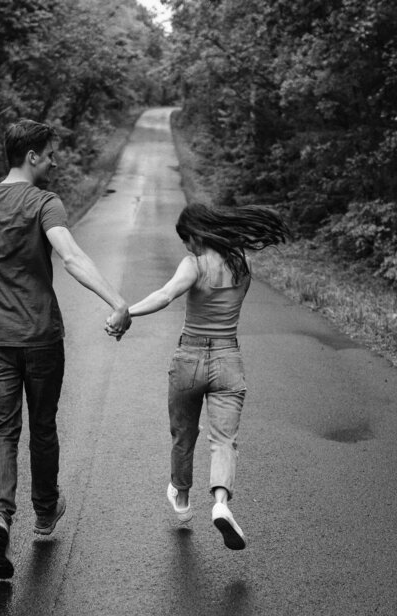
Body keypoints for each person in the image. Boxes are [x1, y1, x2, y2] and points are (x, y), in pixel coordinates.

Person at [0, 119, 131, 579]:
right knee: (43, 426)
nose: (55, 161)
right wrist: (117, 301)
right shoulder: (43, 203)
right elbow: (71, 256)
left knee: (3, 431)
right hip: (38, 335)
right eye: (51, 153)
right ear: (31, 155)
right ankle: (45, 510)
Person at [108, 202, 288, 550]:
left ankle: (182, 497)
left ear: (198, 234)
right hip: (228, 358)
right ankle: (220, 503)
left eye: (187, 239)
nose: (186, 247)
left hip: (189, 358)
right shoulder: (243, 263)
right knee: (224, 440)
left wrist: (125, 312)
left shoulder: (194, 264)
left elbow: (165, 295)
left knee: (183, 432)